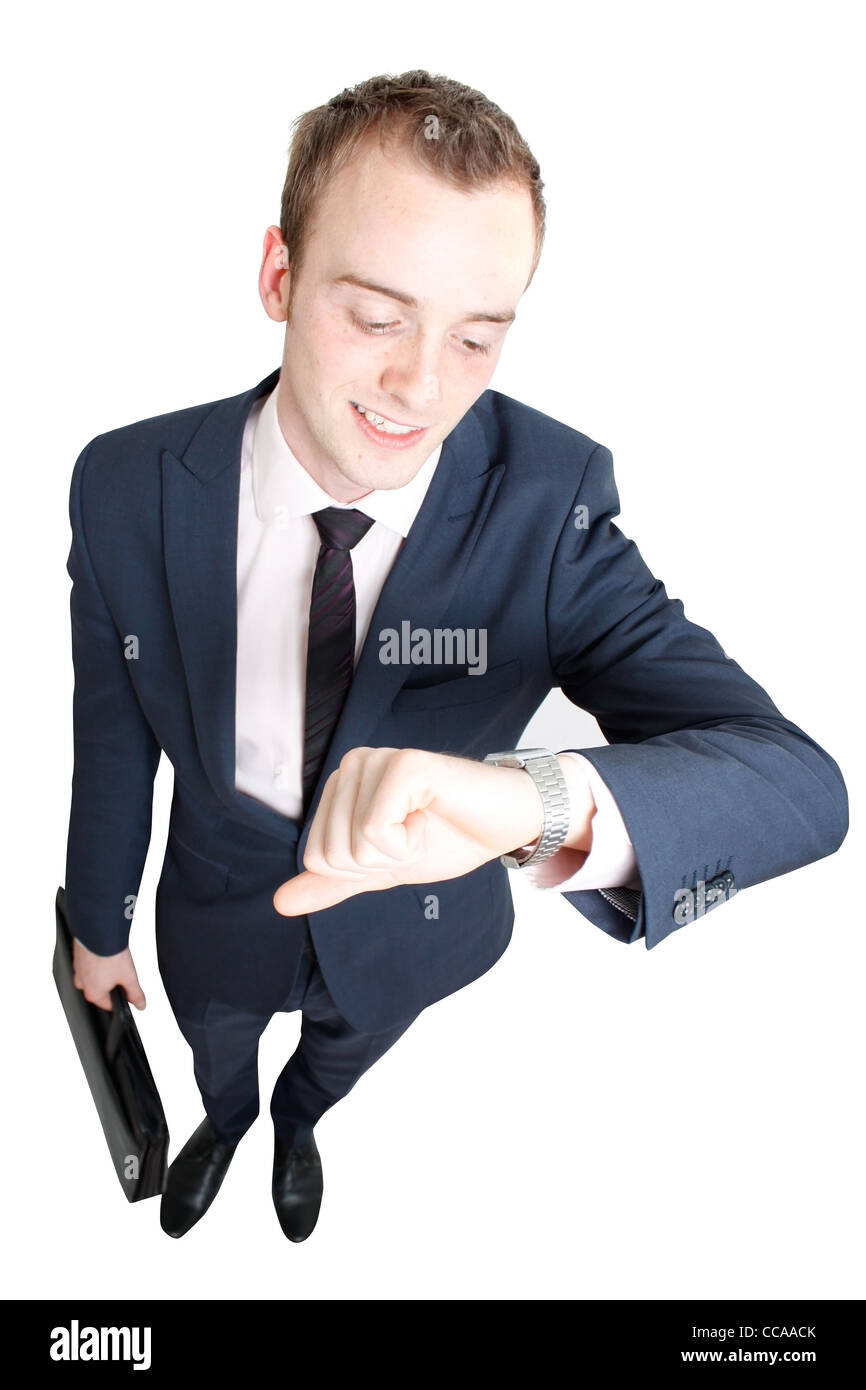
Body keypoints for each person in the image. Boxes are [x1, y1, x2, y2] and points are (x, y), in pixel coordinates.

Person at [65, 70, 848, 1243]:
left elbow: (797, 783)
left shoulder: (550, 508)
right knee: (214, 1049)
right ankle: (224, 1121)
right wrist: (98, 920)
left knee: (339, 1052)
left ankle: (296, 1122)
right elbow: (113, 728)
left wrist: (525, 799)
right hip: (214, 911)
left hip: (413, 932)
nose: (419, 386)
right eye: (376, 317)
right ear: (277, 276)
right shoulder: (124, 482)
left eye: (475, 337)